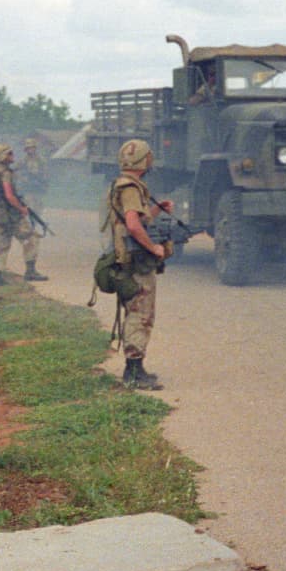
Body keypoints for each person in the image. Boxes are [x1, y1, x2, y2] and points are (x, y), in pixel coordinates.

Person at [103, 138, 175, 389]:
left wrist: (156, 211)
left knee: (137, 312)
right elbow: (133, 225)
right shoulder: (131, 188)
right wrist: (153, 247)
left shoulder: (121, 185)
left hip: (128, 260)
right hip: (136, 263)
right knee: (140, 314)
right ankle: (133, 373)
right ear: (144, 160)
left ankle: (137, 368)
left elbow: (132, 220)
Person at [0, 143, 46, 285]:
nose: (12, 156)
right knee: (31, 238)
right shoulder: (5, 173)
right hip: (12, 214)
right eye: (9, 153)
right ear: (3, 156)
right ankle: (30, 272)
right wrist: (22, 208)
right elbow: (9, 195)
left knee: (0, 245)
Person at [15, 137, 50, 211]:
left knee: (38, 204)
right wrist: (22, 179)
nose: (30, 150)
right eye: (28, 148)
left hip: (38, 185)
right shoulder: (23, 160)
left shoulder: (41, 160)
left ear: (35, 148)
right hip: (27, 185)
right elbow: (16, 171)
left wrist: (44, 181)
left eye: (32, 148)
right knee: (28, 203)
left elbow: (45, 172)